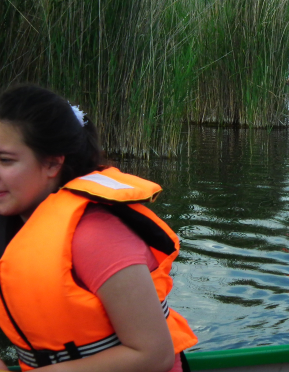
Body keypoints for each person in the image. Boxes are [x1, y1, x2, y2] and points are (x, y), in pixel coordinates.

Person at [0, 84, 197, 371]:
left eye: (5, 161)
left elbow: (153, 354)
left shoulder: (96, 237)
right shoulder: (11, 225)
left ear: (53, 164)